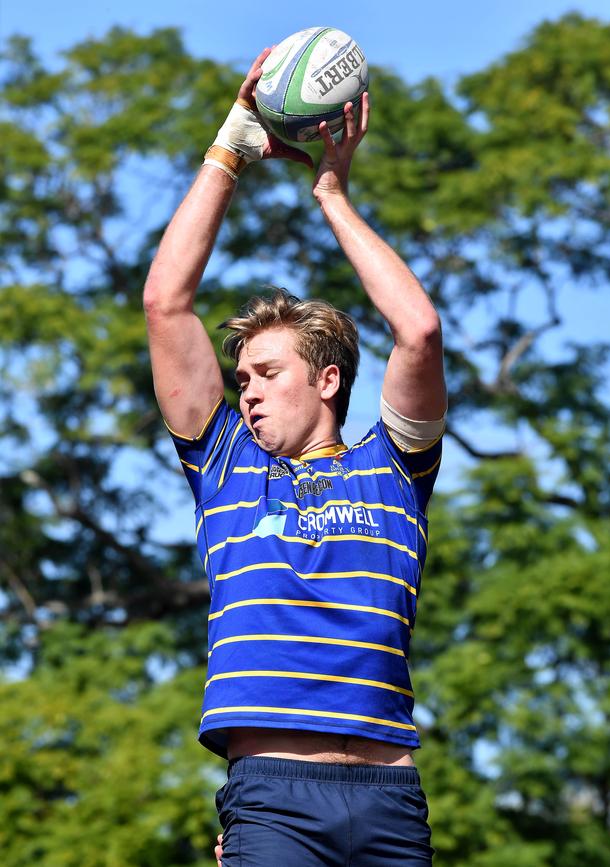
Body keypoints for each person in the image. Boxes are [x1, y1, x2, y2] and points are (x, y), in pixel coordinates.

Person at [144, 47, 447, 867]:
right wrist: (231, 146)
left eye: (266, 372)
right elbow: (165, 302)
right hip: (274, 799)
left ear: (328, 378)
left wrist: (331, 192)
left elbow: (416, 329)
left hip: (391, 803)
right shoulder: (228, 465)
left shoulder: (393, 469)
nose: (245, 390)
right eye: (240, 376)